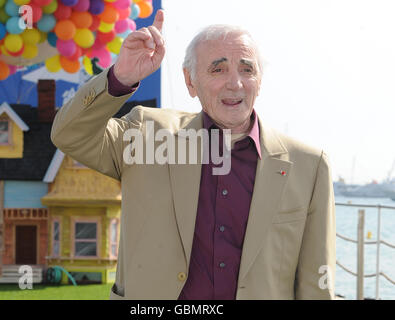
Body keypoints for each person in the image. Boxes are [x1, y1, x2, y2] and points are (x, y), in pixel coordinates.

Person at [51, 9, 336, 300]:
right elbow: (68, 134)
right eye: (218, 69)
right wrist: (119, 77)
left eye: (247, 69)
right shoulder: (147, 135)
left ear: (259, 81)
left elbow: (317, 281)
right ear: (190, 82)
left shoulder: (309, 166)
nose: (235, 83)